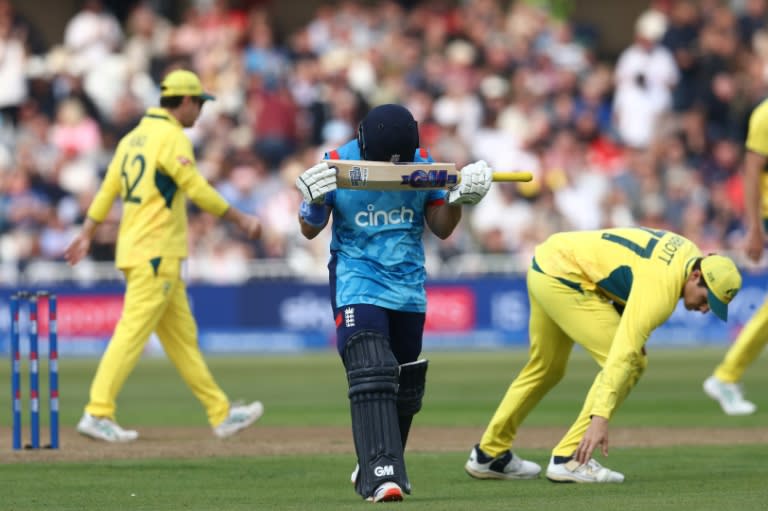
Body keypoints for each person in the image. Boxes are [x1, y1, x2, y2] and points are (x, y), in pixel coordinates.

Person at [296, 103, 494, 502]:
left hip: (407, 286)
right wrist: (313, 202)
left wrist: (458, 198)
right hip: (357, 279)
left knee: (406, 384)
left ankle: (374, 463)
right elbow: (309, 229)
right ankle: (380, 475)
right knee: (372, 367)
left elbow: (440, 229)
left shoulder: (424, 164)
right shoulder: (336, 162)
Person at [64, 69, 265, 442]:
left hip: (139, 250)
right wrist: (239, 218)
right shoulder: (171, 137)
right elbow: (196, 188)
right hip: (156, 252)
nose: (201, 111)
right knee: (131, 332)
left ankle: (221, 413)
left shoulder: (132, 139)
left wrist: (87, 233)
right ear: (184, 101)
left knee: (182, 339)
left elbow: (108, 189)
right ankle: (97, 410)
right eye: (200, 103)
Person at [464, 227, 742, 483]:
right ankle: (570, 458)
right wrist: (601, 419)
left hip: (546, 263)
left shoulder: (689, 252)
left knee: (546, 367)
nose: (705, 309)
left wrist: (626, 327)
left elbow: (629, 272)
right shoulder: (663, 291)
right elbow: (622, 356)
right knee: (631, 363)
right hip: (566, 280)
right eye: (707, 300)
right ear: (696, 276)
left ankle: (489, 454)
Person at [702, 96, 768, 416]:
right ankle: (726, 375)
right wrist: (754, 228)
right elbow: (752, 171)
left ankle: (727, 375)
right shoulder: (764, 115)